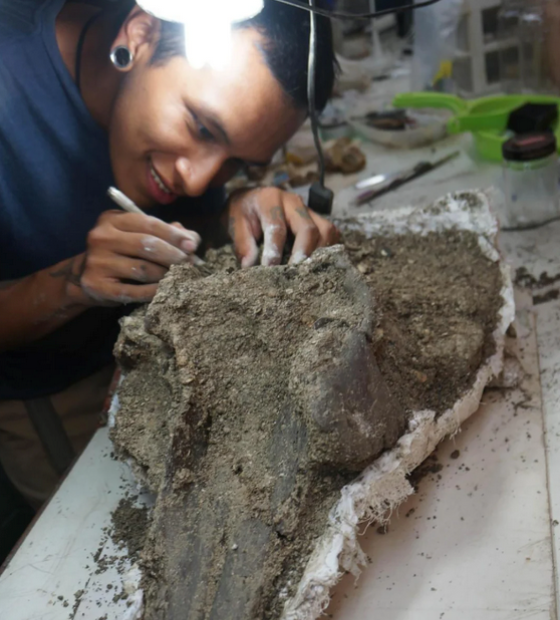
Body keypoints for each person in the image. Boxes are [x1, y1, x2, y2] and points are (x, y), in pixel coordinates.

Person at [0, 0, 339, 509]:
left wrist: (233, 213)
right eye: (202, 128)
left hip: (143, 361)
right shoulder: (11, 89)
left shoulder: (194, 65)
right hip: (52, 389)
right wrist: (70, 283)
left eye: (237, 164)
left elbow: (188, 218)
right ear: (139, 34)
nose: (198, 178)